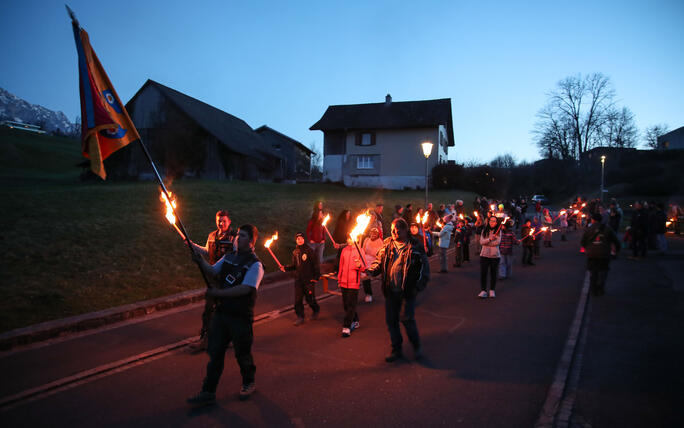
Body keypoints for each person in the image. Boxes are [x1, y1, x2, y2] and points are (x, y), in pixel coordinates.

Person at [187, 224, 264, 405]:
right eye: (238, 235)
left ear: (252, 241)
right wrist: (200, 261)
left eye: (243, 236)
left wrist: (218, 294)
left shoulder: (256, 265)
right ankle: (208, 391)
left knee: (242, 354)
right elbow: (213, 271)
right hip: (222, 314)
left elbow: (245, 288)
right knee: (216, 354)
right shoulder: (229, 257)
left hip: (240, 317)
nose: (238, 238)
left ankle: (248, 382)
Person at [367, 218, 429, 362]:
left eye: (397, 229)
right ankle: (397, 349)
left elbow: (424, 269)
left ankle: (417, 346)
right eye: (392, 229)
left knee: (407, 319)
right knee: (391, 320)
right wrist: (371, 269)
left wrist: (417, 287)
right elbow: (379, 260)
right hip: (391, 290)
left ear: (405, 230)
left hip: (407, 291)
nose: (394, 232)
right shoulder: (388, 244)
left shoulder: (415, 247)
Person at [187, 210, 236, 353]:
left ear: (229, 221)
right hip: (213, 279)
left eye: (224, 221)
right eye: (219, 220)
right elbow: (207, 252)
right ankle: (205, 339)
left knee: (226, 310)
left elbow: (236, 257)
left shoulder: (235, 238)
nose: (221, 223)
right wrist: (192, 245)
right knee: (209, 309)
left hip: (228, 280)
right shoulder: (212, 236)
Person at [282, 233, 320, 326]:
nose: (299, 240)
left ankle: (316, 310)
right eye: (298, 239)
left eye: (301, 238)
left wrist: (316, 277)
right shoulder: (295, 252)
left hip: (309, 280)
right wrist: (286, 268)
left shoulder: (309, 251)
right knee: (298, 300)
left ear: (304, 239)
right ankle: (300, 316)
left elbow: (315, 264)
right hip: (299, 280)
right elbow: (294, 265)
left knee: (309, 299)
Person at [581, 213, 620, 296]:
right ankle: (601, 287)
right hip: (604, 253)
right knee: (603, 271)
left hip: (592, 254)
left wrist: (588, 248)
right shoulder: (608, 229)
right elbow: (616, 241)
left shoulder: (589, 229)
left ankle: (594, 289)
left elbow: (583, 242)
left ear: (593, 220)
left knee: (593, 272)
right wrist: (616, 251)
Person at [338, 237, 365, 337]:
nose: (349, 240)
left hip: (354, 282)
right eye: (348, 238)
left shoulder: (360, 250)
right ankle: (355, 319)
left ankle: (346, 327)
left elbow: (364, 267)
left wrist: (359, 265)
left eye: (351, 238)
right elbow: (341, 265)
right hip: (344, 281)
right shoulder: (344, 250)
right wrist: (339, 278)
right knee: (346, 304)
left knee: (351, 304)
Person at [478, 216, 501, 298]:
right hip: (484, 255)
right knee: (483, 273)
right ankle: (483, 290)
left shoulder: (498, 232)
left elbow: (497, 243)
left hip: (495, 256)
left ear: (496, 222)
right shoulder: (484, 231)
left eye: (494, 221)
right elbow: (481, 242)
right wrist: (489, 239)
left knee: (493, 273)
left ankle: (492, 290)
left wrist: (487, 242)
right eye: (491, 221)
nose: (492, 222)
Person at [361, 227, 383, 302]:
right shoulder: (366, 240)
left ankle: (368, 294)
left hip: (374, 261)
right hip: (365, 259)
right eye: (372, 232)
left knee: (366, 274)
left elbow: (379, 255)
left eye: (375, 233)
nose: (373, 234)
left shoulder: (380, 242)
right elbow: (363, 250)